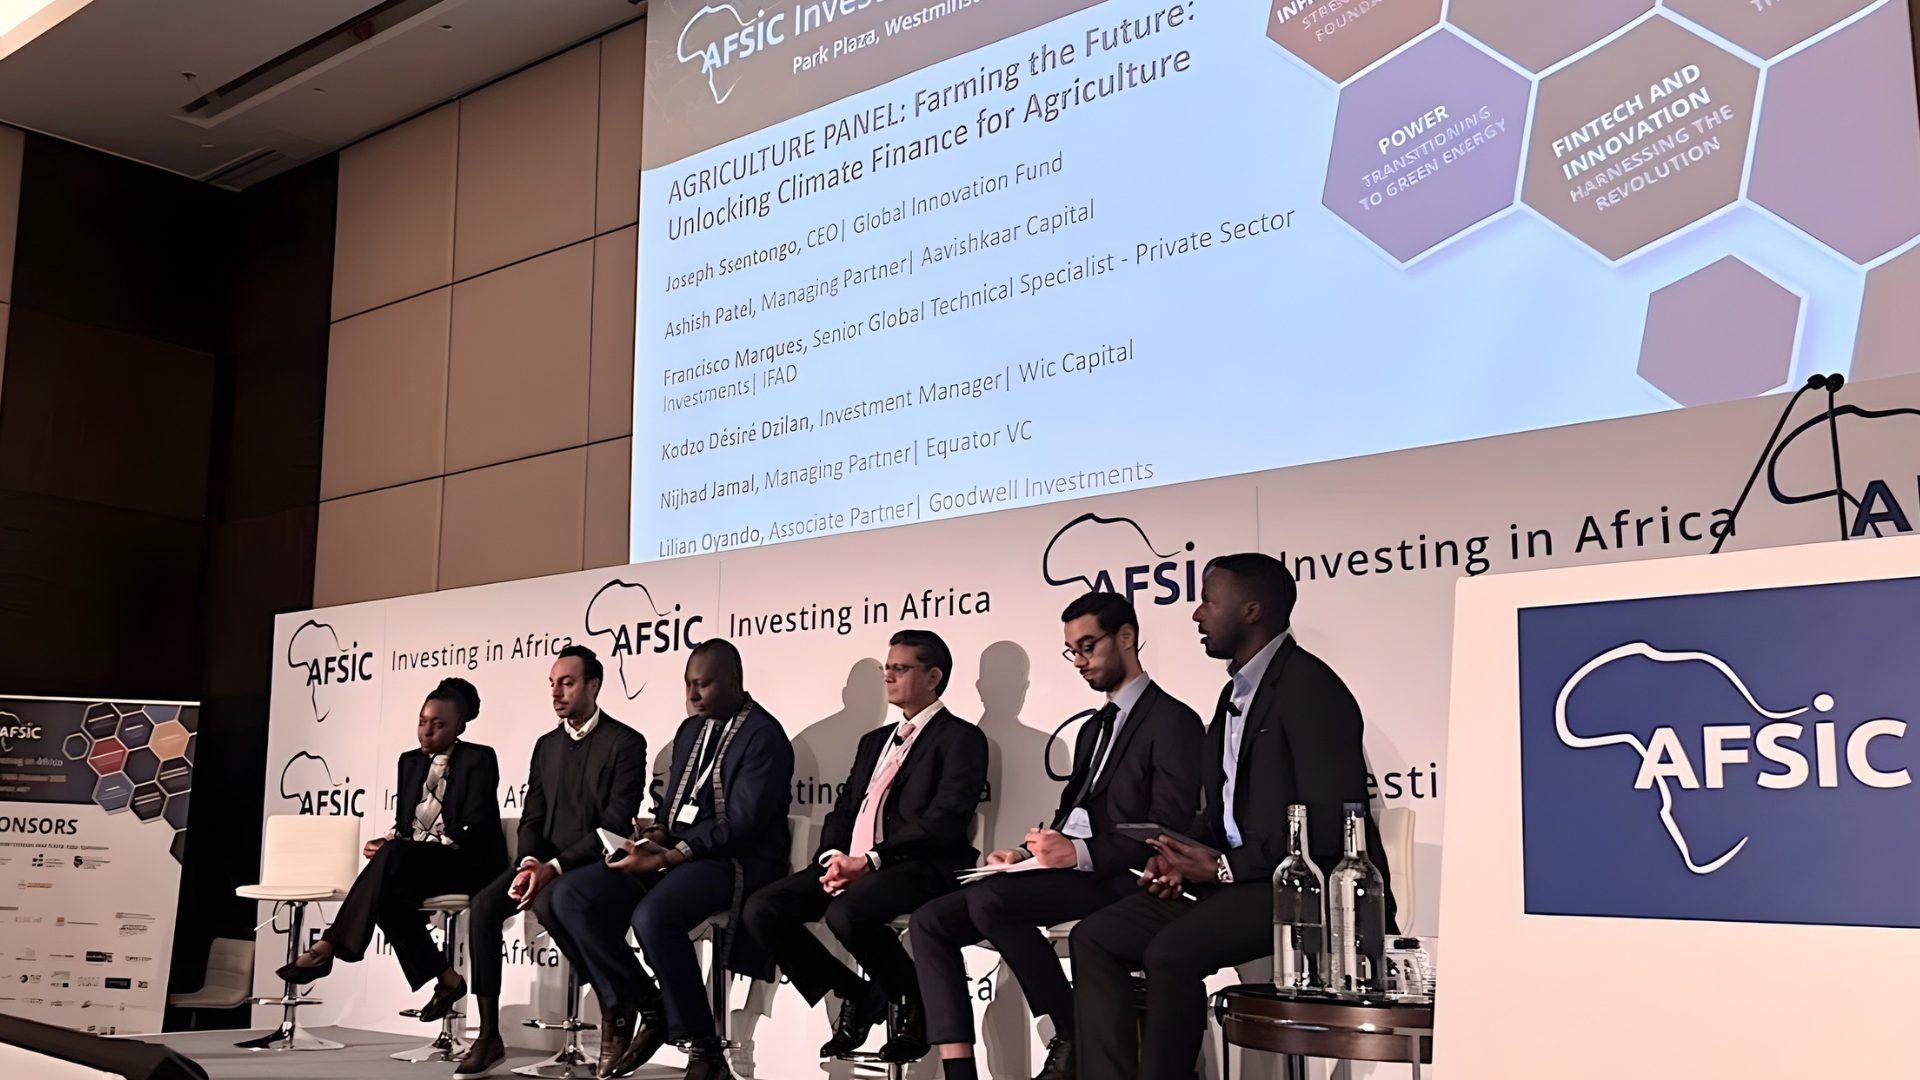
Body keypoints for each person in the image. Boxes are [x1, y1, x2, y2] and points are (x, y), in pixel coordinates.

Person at [1070, 553, 1394, 1080]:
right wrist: (1176, 858)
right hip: (1239, 881)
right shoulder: (1233, 693)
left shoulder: (1311, 688)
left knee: (1170, 953)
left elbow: (1330, 824)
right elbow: (1222, 812)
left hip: (1300, 889)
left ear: (1251, 610)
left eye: (1208, 602)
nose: (1196, 614)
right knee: (1095, 937)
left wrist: (1223, 868)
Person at [911, 593, 1202, 1080]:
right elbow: (1074, 815)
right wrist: (1027, 851)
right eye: (1072, 651)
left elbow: (1166, 827)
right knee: (929, 921)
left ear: (1126, 637)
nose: (1080, 662)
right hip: (1076, 871)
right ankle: (960, 1074)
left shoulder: (1173, 721)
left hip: (1125, 877)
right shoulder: (1092, 729)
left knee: (991, 901)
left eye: (1088, 647)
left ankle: (1069, 1029)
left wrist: (1079, 854)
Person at [548, 639, 793, 1080]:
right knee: (569, 895)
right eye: (688, 684)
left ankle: (705, 1052)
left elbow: (742, 824)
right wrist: (654, 836)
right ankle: (647, 1003)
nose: (693, 694)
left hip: (734, 861)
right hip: (676, 854)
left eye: (704, 684)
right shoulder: (690, 731)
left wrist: (673, 854)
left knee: (654, 915)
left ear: (734, 681)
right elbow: (674, 808)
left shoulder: (764, 736)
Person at [741, 629, 987, 1063]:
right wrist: (833, 858)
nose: (888, 676)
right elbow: (844, 809)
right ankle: (855, 992)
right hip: (856, 863)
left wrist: (871, 861)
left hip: (919, 866)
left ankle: (914, 1000)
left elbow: (944, 820)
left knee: (848, 912)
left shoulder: (961, 738)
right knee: (763, 909)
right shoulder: (874, 741)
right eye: (886, 668)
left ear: (933, 677)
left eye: (900, 668)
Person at [454, 645, 648, 1079]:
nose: (557, 692)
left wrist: (554, 868)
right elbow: (533, 816)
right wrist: (528, 862)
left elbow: (615, 825)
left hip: (593, 866)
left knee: (549, 901)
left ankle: (619, 1002)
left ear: (593, 685)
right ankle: (489, 1035)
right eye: (553, 684)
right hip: (542, 864)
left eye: (568, 683)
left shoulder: (625, 742)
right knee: (484, 906)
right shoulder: (545, 746)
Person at [276, 677, 507, 1026]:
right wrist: (387, 841)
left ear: (460, 725)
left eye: (438, 724)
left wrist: (402, 848)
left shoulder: (479, 758)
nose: (426, 731)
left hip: (468, 862)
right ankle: (448, 980)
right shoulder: (409, 762)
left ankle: (330, 944)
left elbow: (474, 826)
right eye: (422, 721)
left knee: (393, 860)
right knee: (385, 896)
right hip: (423, 862)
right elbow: (404, 824)